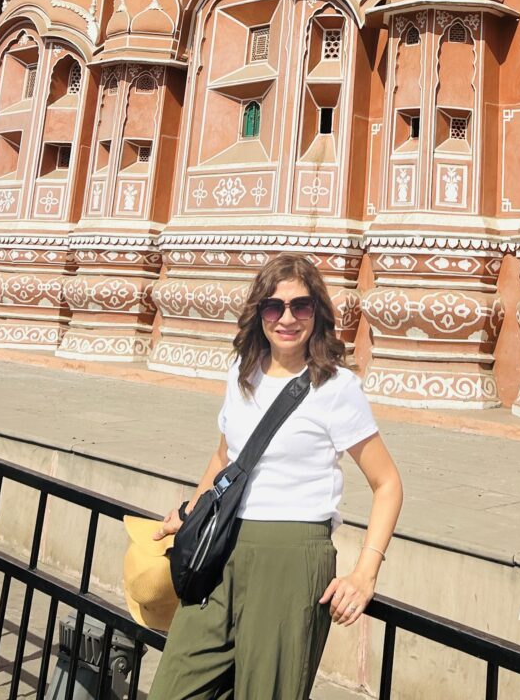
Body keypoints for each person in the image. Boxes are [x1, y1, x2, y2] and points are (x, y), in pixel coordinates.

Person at [147, 251, 403, 700]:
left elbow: (387, 484)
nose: (287, 318)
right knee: (173, 689)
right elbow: (225, 457)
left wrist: (366, 573)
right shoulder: (241, 373)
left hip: (292, 554)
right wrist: (191, 513)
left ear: (317, 313)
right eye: (274, 307)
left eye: (300, 306)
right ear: (258, 313)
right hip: (223, 550)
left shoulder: (336, 387)